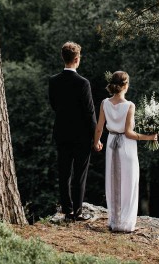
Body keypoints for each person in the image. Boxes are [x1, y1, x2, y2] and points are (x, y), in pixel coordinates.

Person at [93, 71, 157, 232]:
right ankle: (126, 223)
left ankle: (115, 220)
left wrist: (96, 142)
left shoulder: (104, 103)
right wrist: (149, 137)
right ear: (125, 85)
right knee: (129, 182)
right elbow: (129, 132)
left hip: (111, 142)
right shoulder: (129, 105)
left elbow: (99, 127)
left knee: (113, 180)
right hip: (126, 146)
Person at [49, 42, 97, 221]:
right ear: (77, 59)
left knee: (64, 173)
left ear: (64, 58)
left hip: (61, 133)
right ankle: (77, 212)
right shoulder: (83, 83)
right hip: (81, 136)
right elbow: (90, 112)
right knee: (79, 174)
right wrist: (96, 137)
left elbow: (54, 105)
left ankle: (66, 209)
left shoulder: (53, 81)